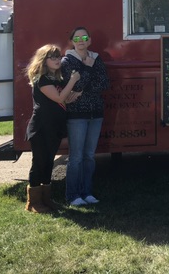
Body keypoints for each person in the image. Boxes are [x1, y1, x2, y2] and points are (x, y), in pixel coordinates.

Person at [24, 44, 81, 213]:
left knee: (49, 162)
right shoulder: (42, 79)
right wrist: (73, 80)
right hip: (41, 127)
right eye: (53, 57)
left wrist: (74, 94)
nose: (57, 60)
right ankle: (33, 203)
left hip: (54, 126)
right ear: (44, 60)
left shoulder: (56, 79)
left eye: (58, 57)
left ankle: (46, 199)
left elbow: (63, 100)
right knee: (39, 162)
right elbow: (59, 98)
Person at [61, 27, 109, 207]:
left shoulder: (96, 58)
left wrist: (80, 91)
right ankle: (72, 195)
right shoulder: (67, 61)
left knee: (89, 156)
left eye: (84, 37)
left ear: (89, 40)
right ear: (72, 41)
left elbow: (104, 83)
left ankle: (87, 192)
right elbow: (73, 84)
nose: (80, 40)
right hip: (76, 115)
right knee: (76, 157)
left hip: (96, 113)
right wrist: (88, 68)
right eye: (77, 38)